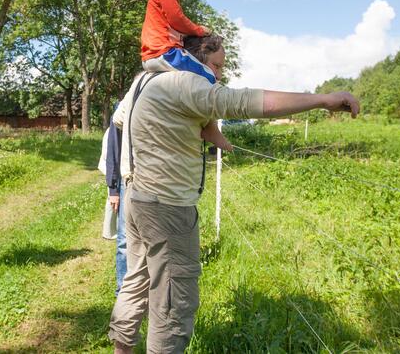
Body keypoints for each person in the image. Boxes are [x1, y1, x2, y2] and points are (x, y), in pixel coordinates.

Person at [108, 34, 360, 353]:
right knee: (173, 302)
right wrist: (322, 99)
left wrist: (180, 127)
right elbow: (247, 102)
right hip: (168, 208)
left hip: (137, 199)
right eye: (216, 66)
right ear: (197, 59)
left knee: (136, 280)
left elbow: (120, 120)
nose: (219, 75)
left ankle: (121, 349)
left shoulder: (145, 79)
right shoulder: (186, 84)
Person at [140, 0, 232, 152]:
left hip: (153, 55)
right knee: (209, 77)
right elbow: (177, 19)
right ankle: (211, 128)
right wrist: (200, 30)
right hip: (164, 52)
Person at [104, 120, 126, 296]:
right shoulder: (123, 107)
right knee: (124, 240)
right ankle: (122, 290)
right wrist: (113, 189)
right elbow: (114, 149)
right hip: (127, 181)